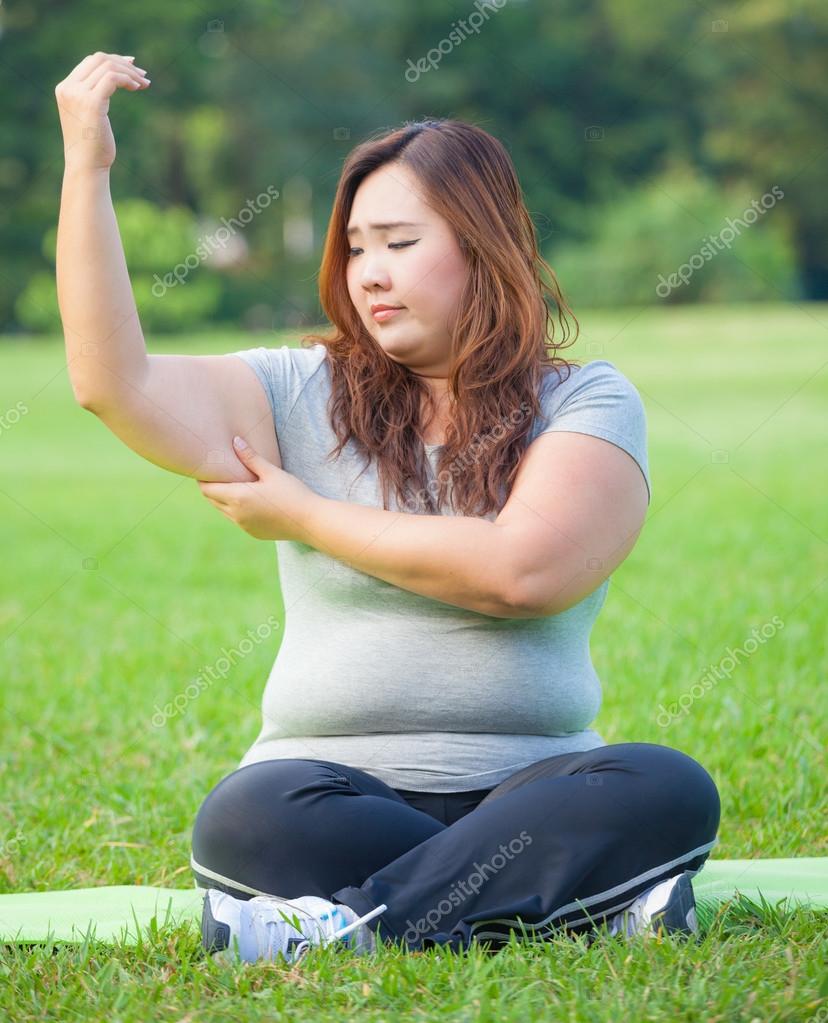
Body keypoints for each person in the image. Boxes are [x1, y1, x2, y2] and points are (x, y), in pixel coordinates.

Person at [54, 55, 720, 965]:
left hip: (534, 786)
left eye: (400, 243)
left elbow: (524, 573)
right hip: (329, 794)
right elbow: (112, 383)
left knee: (661, 786)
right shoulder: (296, 390)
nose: (369, 273)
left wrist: (302, 514)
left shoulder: (586, 402)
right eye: (357, 247)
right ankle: (580, 900)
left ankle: (338, 926)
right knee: (248, 817)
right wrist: (86, 167)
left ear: (485, 246)